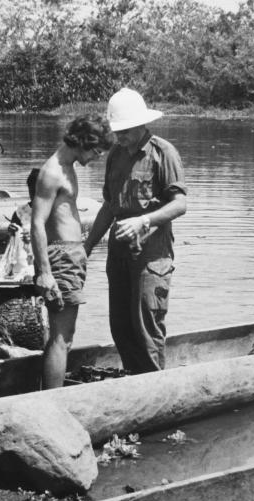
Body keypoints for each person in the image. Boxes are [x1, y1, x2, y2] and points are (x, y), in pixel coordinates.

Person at [83, 88, 187, 374]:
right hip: (118, 254)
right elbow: (109, 205)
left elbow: (180, 205)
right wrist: (88, 244)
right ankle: (133, 380)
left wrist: (144, 221)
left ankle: (155, 387)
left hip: (151, 256)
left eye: (126, 131)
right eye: (118, 131)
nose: (121, 137)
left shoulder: (163, 153)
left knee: (146, 326)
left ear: (141, 124)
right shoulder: (115, 154)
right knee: (121, 326)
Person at [31, 115, 113, 388]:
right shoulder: (53, 172)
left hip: (70, 257)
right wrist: (44, 273)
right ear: (83, 143)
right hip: (62, 259)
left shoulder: (67, 167)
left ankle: (51, 397)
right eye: (97, 151)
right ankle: (52, 402)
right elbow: (37, 223)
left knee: (64, 336)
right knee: (61, 339)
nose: (97, 158)